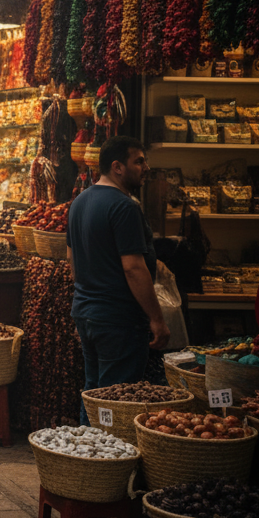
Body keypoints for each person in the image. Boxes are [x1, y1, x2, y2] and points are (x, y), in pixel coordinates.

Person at [67, 136, 169, 423]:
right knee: (116, 397)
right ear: (117, 167)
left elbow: (72, 264)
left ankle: (86, 453)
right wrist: (157, 320)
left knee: (94, 391)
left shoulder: (79, 202)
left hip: (86, 313)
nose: (146, 167)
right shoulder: (124, 207)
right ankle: (105, 460)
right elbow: (134, 268)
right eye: (138, 161)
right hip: (118, 319)